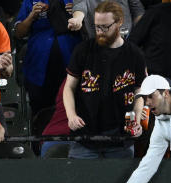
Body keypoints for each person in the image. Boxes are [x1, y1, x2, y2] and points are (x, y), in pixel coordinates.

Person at [64, 1, 148, 159]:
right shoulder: (83, 50)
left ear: (119, 22)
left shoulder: (135, 54)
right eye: (97, 27)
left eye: (105, 27)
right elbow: (69, 87)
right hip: (85, 136)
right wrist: (71, 115)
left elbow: (139, 91)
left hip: (121, 137)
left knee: (121, 182)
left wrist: (136, 119)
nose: (100, 32)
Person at [13, 0, 82, 116]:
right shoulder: (30, 2)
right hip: (38, 65)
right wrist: (31, 16)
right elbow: (19, 33)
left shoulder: (76, 1)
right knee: (41, 111)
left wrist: (78, 16)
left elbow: (93, 26)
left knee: (75, 109)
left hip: (72, 62)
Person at [68, 0, 144, 39]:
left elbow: (137, 10)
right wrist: (77, 19)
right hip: (97, 41)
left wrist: (139, 36)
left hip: (127, 38)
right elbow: (80, 5)